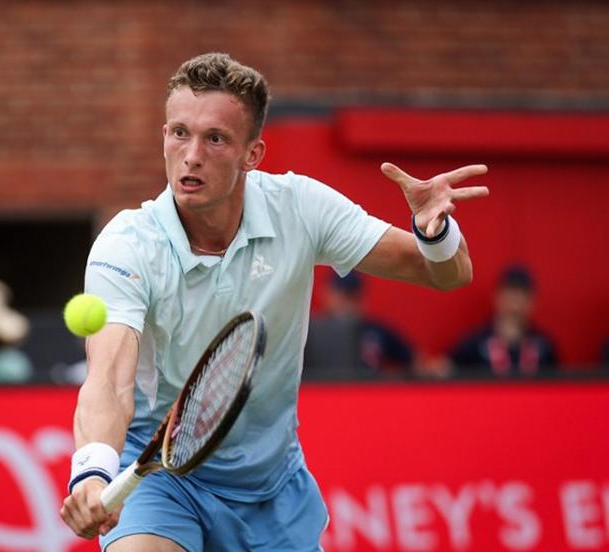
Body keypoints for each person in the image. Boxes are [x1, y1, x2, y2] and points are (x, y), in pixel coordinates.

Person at [60, 53, 489, 551]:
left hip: (269, 487)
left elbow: (448, 274)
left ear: (253, 154)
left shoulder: (300, 208)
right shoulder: (128, 244)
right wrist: (92, 470)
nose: (191, 154)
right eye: (179, 132)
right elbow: (110, 378)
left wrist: (432, 234)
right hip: (160, 472)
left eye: (215, 138)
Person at [450, 264, 557, 377]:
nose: (515, 305)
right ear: (497, 297)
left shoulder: (544, 347)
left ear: (532, 302)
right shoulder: (474, 345)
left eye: (522, 297)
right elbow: (446, 371)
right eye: (510, 296)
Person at [303, 271, 414, 380]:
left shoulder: (376, 330)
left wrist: (386, 378)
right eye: (341, 296)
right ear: (327, 293)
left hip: (365, 394)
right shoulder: (307, 331)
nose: (346, 303)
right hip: (321, 393)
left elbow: (416, 363)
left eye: (352, 296)